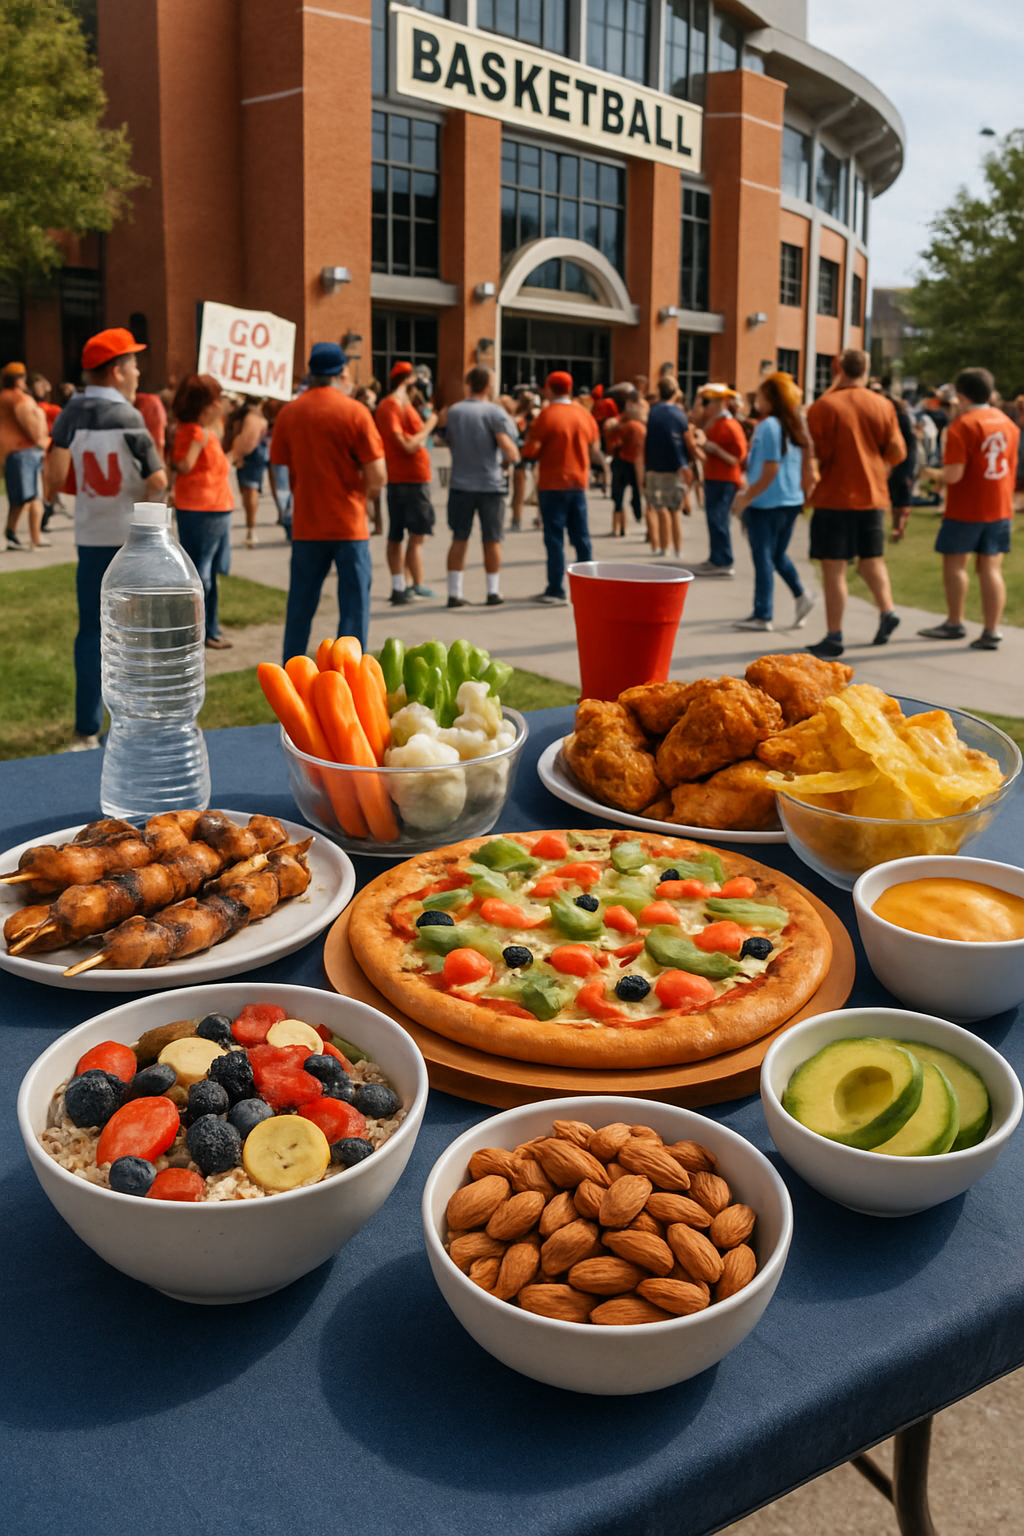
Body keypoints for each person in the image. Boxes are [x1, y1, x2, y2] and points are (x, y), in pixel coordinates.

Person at [46, 327, 167, 749]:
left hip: (91, 536)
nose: (138, 371)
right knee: (137, 635)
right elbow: (158, 478)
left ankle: (86, 728)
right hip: (131, 543)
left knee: (90, 633)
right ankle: (134, 722)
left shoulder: (68, 414)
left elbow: (55, 479)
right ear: (116, 371)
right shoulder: (130, 417)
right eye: (133, 363)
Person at [270, 342, 384, 659]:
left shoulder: (289, 412)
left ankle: (291, 675)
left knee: (300, 607)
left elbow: (277, 464)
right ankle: (348, 678)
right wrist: (366, 498)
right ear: (342, 372)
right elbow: (377, 475)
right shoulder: (355, 412)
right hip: (348, 524)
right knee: (354, 608)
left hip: (307, 522)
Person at [803, 348, 906, 658]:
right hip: (872, 495)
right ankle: (887, 610)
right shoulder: (883, 404)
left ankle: (834, 635)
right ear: (867, 368)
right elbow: (897, 452)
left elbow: (818, 453)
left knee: (833, 568)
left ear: (838, 368)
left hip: (835, 496)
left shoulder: (824, 405)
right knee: (871, 560)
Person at [917, 367, 1020, 651]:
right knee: (990, 568)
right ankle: (991, 631)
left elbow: (953, 475)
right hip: (999, 505)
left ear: (961, 396)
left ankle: (954, 622)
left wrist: (931, 474)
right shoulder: (1008, 423)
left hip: (966, 507)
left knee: (955, 565)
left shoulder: (962, 425)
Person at [729, 372, 815, 633]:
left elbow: (770, 468)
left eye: (762, 394)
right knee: (777, 555)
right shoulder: (793, 425)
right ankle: (801, 596)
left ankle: (763, 612)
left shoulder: (768, 426)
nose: (757, 398)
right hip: (790, 500)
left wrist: (746, 497)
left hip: (766, 502)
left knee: (763, 557)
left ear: (771, 398)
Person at [520, 370, 605, 605]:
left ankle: (556, 588)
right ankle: (591, 587)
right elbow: (594, 445)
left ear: (549, 388)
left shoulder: (546, 416)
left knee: (554, 538)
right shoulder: (583, 415)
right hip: (577, 481)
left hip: (551, 483)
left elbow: (531, 450)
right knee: (581, 537)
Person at [442, 365, 519, 608]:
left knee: (459, 537)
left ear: (468, 384)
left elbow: (446, 437)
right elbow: (509, 445)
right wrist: (512, 457)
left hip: (460, 483)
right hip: (490, 483)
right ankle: (492, 591)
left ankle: (454, 592)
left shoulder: (453, 411)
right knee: (492, 539)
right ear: (488, 385)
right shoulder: (494, 412)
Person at [170, 374, 235, 650]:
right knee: (203, 574)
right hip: (208, 508)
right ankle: (201, 631)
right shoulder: (197, 433)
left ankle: (207, 628)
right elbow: (183, 464)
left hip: (200, 507)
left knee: (200, 571)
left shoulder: (188, 429)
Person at [375, 360, 437, 604]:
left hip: (410, 477)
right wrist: (429, 426)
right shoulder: (391, 406)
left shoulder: (402, 405)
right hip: (407, 479)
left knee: (409, 534)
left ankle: (408, 585)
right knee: (410, 534)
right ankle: (408, 585)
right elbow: (407, 444)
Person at [689, 384, 747, 577]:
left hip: (725, 479)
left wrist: (714, 449)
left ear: (720, 402)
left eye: (709, 402)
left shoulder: (730, 425)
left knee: (719, 520)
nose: (706, 406)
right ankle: (717, 558)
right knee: (714, 520)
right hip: (715, 477)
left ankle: (723, 560)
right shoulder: (716, 423)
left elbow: (737, 458)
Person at [1, 362, 49, 549]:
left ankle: (11, 532)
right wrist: (41, 441)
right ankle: (36, 538)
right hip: (25, 451)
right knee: (33, 497)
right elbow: (32, 425)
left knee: (19, 499)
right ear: (20, 379)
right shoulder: (18, 399)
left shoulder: (4, 397)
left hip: (13, 453)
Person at [643, 375, 690, 557]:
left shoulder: (652, 412)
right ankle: (677, 549)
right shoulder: (680, 413)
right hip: (676, 466)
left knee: (658, 508)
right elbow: (688, 441)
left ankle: (663, 547)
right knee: (674, 511)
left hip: (654, 466)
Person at [224, 395, 270, 547]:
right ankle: (251, 528)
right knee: (249, 492)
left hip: (248, 456)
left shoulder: (245, 415)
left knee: (249, 491)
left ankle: (251, 528)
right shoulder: (251, 416)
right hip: (249, 455)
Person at [605, 393, 645, 537]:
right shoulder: (639, 425)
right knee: (637, 495)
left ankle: (618, 527)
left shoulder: (624, 425)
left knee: (618, 497)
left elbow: (612, 441)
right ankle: (625, 527)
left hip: (622, 461)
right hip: (634, 461)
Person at [887, 392, 918, 540]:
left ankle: (897, 529)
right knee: (902, 500)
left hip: (900, 464)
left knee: (899, 500)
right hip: (906, 464)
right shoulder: (905, 419)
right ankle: (898, 529)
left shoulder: (899, 420)